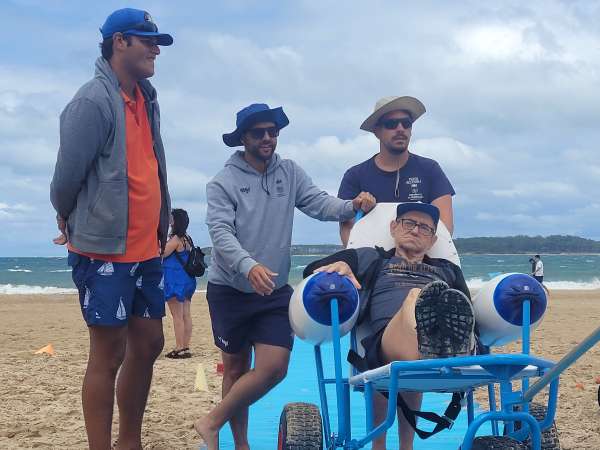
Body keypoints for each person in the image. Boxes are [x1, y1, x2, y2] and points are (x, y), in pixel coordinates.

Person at [195, 103, 376, 449]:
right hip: (230, 289)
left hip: (274, 290)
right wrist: (249, 266)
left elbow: (319, 203)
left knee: (275, 367)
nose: (267, 138)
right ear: (243, 138)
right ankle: (241, 444)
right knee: (233, 370)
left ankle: (210, 421)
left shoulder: (289, 172)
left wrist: (352, 205)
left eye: (272, 131)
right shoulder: (222, 183)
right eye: (258, 132)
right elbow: (220, 233)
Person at [49, 8, 173, 450]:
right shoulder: (92, 101)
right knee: (108, 354)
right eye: (148, 41)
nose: (156, 49)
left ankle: (130, 441)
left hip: (146, 249)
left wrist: (164, 224)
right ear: (119, 42)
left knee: (151, 342)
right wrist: (65, 216)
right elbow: (67, 177)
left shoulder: (147, 97)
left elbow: (152, 166)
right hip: (104, 251)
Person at [304, 203, 474, 450]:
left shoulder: (448, 270)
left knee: (443, 306)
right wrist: (339, 268)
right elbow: (311, 270)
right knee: (417, 299)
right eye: (409, 223)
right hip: (387, 342)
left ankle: (407, 446)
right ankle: (379, 446)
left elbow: (467, 311)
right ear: (393, 227)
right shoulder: (372, 258)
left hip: (435, 347)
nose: (416, 231)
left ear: (433, 239)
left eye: (425, 228)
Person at [338, 96, 456, 246]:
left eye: (406, 123)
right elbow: (347, 230)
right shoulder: (355, 176)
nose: (400, 128)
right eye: (391, 124)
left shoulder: (430, 170)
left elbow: (445, 228)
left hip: (421, 262)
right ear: (377, 131)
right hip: (370, 264)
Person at [162, 208, 196, 359]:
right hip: (188, 280)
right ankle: (185, 345)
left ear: (176, 221)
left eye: (171, 218)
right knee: (185, 314)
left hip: (176, 280)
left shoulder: (175, 240)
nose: (169, 221)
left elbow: (161, 253)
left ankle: (179, 346)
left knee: (177, 315)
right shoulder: (187, 238)